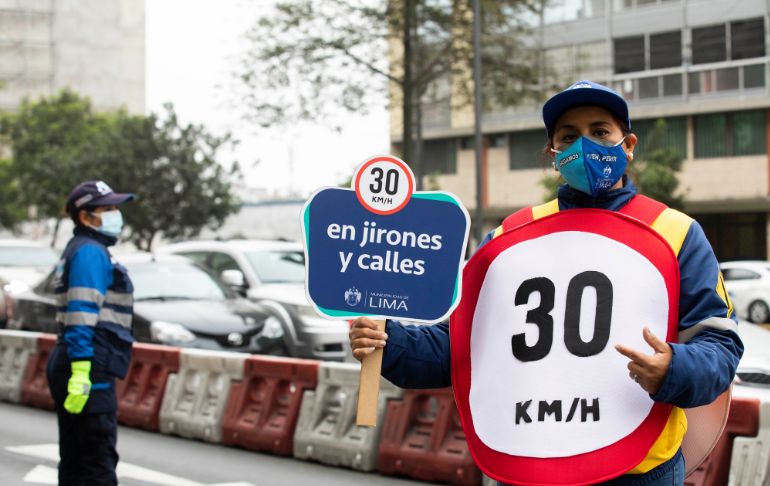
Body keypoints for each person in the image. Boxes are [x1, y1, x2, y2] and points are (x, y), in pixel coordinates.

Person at [349, 81, 744, 485]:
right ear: (553, 155)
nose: (586, 145)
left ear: (628, 144)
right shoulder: (508, 239)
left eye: (600, 131)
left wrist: (674, 369)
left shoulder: (675, 232)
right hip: (530, 468)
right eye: (569, 137)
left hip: (637, 472)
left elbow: (720, 345)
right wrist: (387, 341)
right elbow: (459, 348)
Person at [46, 180, 135, 485]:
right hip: (88, 364)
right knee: (97, 462)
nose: (115, 215)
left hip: (76, 360)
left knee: (75, 459)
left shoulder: (83, 250)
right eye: (107, 209)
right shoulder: (90, 253)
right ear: (85, 216)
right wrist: (82, 372)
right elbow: (82, 313)